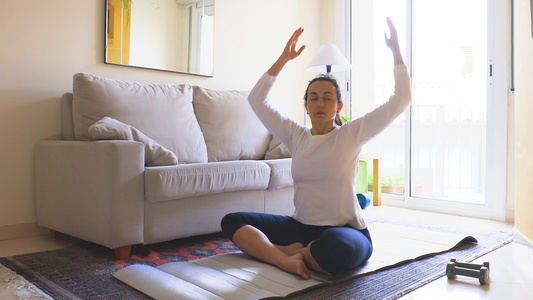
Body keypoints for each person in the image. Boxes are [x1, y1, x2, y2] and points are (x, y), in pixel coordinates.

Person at [221, 17, 411, 280]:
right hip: (299, 227)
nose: (320, 103)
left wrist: (396, 51)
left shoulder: (351, 134)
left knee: (338, 249)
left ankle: (288, 253)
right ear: (306, 107)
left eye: (327, 97)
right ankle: (286, 258)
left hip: (346, 230)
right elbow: (256, 99)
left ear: (338, 107)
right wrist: (284, 58)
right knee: (231, 221)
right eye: (313, 97)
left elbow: (401, 99)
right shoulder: (295, 135)